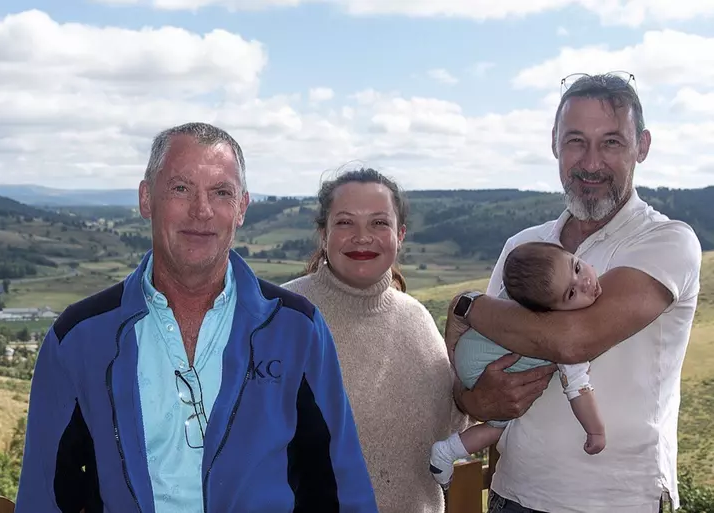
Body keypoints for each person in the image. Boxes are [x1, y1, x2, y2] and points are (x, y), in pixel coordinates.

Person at [14, 122, 378, 513]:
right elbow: (44, 496)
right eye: (180, 188)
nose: (201, 211)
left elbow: (342, 489)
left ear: (241, 207)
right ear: (145, 198)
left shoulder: (296, 329)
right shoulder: (78, 338)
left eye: (221, 192)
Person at [445, 73, 702, 513]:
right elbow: (471, 358)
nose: (591, 162)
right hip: (513, 493)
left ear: (642, 146)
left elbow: (573, 340)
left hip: (620, 501)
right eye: (576, 141)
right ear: (555, 144)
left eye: (612, 143)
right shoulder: (521, 248)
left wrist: (467, 305)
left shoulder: (666, 241)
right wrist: (473, 397)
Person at [282, 167, 471, 513]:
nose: (362, 236)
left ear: (400, 235)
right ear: (323, 234)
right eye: (345, 223)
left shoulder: (419, 320)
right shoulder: (282, 316)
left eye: (379, 223)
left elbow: (451, 426)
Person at [429, 241, 606, 489]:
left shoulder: (529, 290)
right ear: (549, 311)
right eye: (571, 294)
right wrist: (595, 431)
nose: (585, 283)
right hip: (481, 366)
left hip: (472, 345)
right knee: (499, 426)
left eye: (577, 268)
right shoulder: (559, 333)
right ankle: (446, 452)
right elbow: (578, 390)